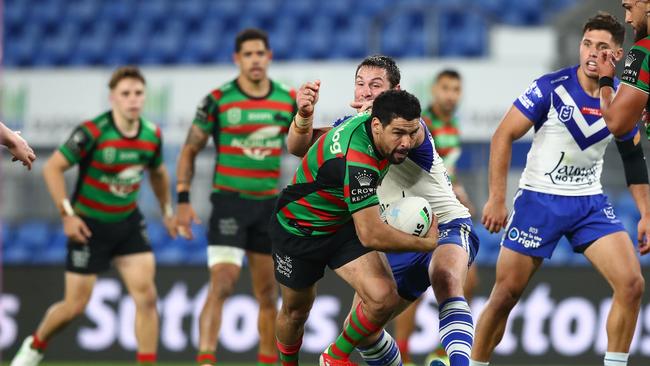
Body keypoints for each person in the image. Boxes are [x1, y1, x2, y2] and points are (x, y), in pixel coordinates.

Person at [472, 13, 648, 366]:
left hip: (588, 203)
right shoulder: (551, 87)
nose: (592, 53)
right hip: (540, 199)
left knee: (631, 285)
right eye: (587, 44)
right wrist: (496, 197)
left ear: (617, 54)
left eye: (602, 47)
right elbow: (502, 134)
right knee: (505, 295)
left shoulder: (620, 101)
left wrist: (646, 213)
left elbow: (632, 157)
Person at [287, 55, 479, 366]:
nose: (365, 91)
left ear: (395, 91)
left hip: (446, 224)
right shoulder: (352, 131)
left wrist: (376, 120)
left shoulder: (410, 128)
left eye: (375, 86)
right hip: (397, 235)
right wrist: (304, 116)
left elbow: (407, 137)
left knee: (445, 278)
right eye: (360, 85)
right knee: (364, 328)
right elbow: (299, 146)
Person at [10, 66, 176, 366]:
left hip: (127, 223)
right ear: (113, 97)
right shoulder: (93, 132)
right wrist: (67, 216)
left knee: (147, 298)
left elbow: (159, 173)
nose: (133, 99)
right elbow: (53, 167)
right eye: (125, 94)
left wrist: (166, 211)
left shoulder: (152, 135)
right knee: (74, 306)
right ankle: (35, 345)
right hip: (88, 226)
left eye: (138, 93)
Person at [274, 89, 438, 366]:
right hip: (299, 228)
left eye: (412, 133)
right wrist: (429, 244)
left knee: (383, 296)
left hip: (341, 224)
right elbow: (371, 234)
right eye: (398, 133)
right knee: (296, 312)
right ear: (377, 126)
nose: (407, 142)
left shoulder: (373, 123)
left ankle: (334, 357)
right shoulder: (358, 161)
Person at [175, 28, 296, 366]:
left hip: (268, 206)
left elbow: (303, 145)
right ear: (237, 59)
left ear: (269, 57)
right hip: (229, 202)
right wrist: (182, 199)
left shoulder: (287, 99)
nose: (255, 60)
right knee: (223, 283)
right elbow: (190, 150)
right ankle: (206, 359)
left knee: (267, 293)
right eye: (248, 54)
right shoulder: (217, 100)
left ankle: (268, 360)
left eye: (260, 53)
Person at [395, 69, 480, 366]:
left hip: (444, 211)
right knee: (413, 290)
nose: (451, 95)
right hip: (418, 213)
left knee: (466, 281)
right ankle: (404, 356)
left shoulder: (452, 125)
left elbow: (445, 172)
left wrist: (460, 192)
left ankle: (442, 352)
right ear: (434, 90)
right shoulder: (421, 124)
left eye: (456, 89)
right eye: (445, 88)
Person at [597, 0, 650, 137]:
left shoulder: (643, 51)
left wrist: (605, 80)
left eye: (629, 8)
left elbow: (617, 123)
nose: (627, 19)